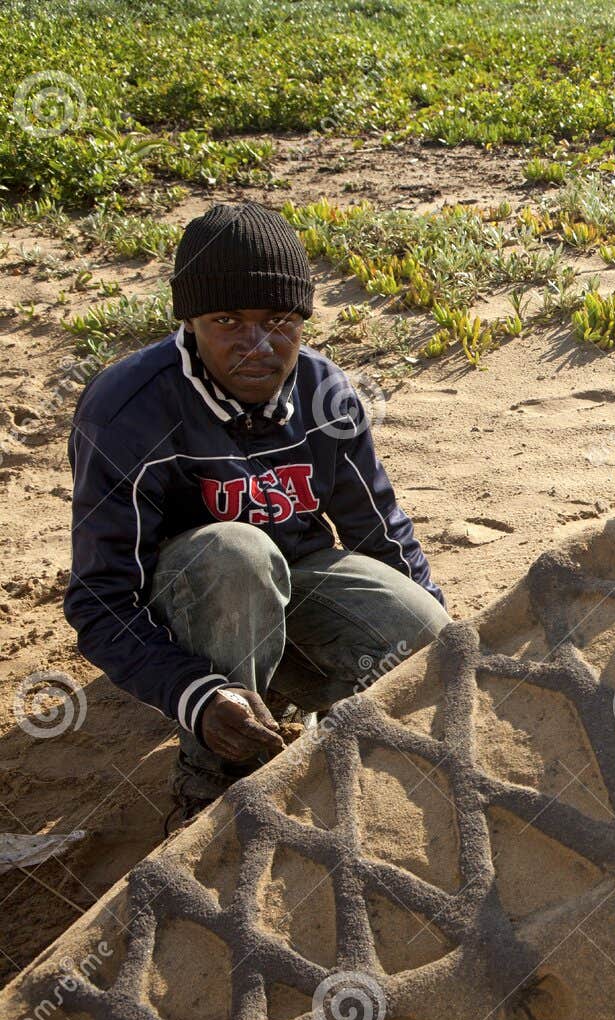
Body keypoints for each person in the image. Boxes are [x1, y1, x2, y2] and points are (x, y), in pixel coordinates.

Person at [64, 201, 450, 827]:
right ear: (189, 322)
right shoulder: (127, 410)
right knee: (237, 553)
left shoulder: (325, 392)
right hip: (186, 604)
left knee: (428, 641)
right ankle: (212, 770)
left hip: (294, 579)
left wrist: (453, 645)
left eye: (279, 320)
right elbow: (101, 598)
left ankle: (281, 700)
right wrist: (195, 696)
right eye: (227, 321)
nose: (258, 346)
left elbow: (378, 530)